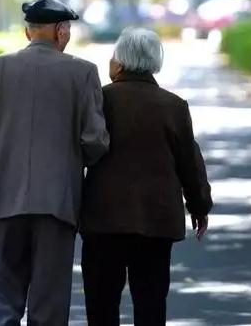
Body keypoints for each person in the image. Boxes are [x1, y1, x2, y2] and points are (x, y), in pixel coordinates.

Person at [0, 0, 110, 326]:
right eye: (67, 28)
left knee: (1, 296)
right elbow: (94, 142)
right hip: (56, 207)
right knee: (49, 305)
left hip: (0, 203)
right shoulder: (82, 72)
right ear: (59, 31)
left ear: (29, 32)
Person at [80, 27, 213, 326]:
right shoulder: (173, 106)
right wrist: (199, 205)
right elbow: (189, 163)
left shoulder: (100, 99)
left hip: (103, 220)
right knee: (151, 305)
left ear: (120, 61)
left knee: (101, 306)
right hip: (155, 220)